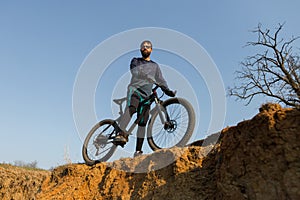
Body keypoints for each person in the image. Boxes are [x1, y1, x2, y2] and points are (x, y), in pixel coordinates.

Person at [114, 40, 176, 157]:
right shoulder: (136, 61)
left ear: (151, 50)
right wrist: (146, 75)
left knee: (143, 122)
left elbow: (161, 80)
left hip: (147, 95)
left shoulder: (155, 66)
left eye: (147, 47)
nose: (145, 48)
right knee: (132, 108)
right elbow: (134, 70)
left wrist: (168, 91)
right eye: (143, 47)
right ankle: (120, 134)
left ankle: (138, 151)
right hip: (135, 90)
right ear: (140, 50)